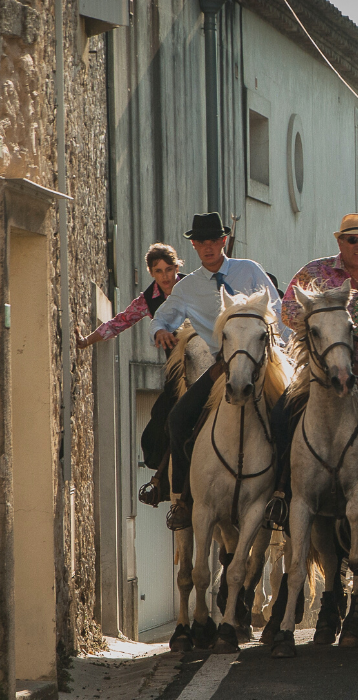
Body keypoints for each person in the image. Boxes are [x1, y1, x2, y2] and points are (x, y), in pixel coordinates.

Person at [150, 212, 288, 530]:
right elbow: (163, 316)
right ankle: (181, 497)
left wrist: (281, 349)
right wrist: (159, 330)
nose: (208, 247)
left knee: (288, 417)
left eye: (214, 240)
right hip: (220, 367)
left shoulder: (249, 270)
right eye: (202, 242)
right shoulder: (187, 288)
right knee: (177, 418)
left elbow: (278, 309)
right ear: (194, 246)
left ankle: (284, 494)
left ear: (223, 241)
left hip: (264, 363)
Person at [265, 213, 358, 520]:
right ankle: (282, 490)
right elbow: (286, 309)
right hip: (320, 365)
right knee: (280, 414)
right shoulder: (315, 271)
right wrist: (321, 328)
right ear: (340, 241)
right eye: (352, 239)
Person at [75, 243, 185, 476]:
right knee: (160, 423)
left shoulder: (194, 286)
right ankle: (165, 478)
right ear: (152, 273)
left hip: (206, 362)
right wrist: (86, 340)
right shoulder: (147, 300)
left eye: (169, 269)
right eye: (158, 271)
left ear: (177, 267)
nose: (165, 276)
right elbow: (119, 322)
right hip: (177, 372)